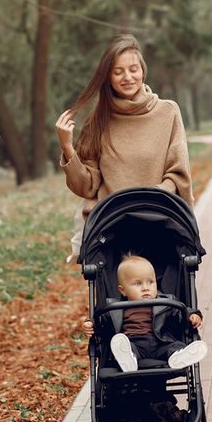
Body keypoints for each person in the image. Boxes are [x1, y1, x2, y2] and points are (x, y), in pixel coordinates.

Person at [56, 34, 194, 262]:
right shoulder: (97, 121)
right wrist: (67, 147)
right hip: (111, 232)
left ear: (143, 71)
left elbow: (178, 174)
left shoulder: (167, 112)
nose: (127, 77)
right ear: (108, 77)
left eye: (133, 69)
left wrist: (151, 200)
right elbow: (87, 187)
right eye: (118, 72)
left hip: (161, 223)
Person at [82, 254, 207, 372]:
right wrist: (90, 323)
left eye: (150, 282)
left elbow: (180, 312)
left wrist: (191, 315)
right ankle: (128, 360)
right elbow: (101, 322)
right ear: (122, 290)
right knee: (121, 345)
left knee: (175, 346)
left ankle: (179, 357)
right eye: (137, 283)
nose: (145, 288)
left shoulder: (165, 302)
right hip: (133, 344)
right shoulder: (114, 308)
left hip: (160, 344)